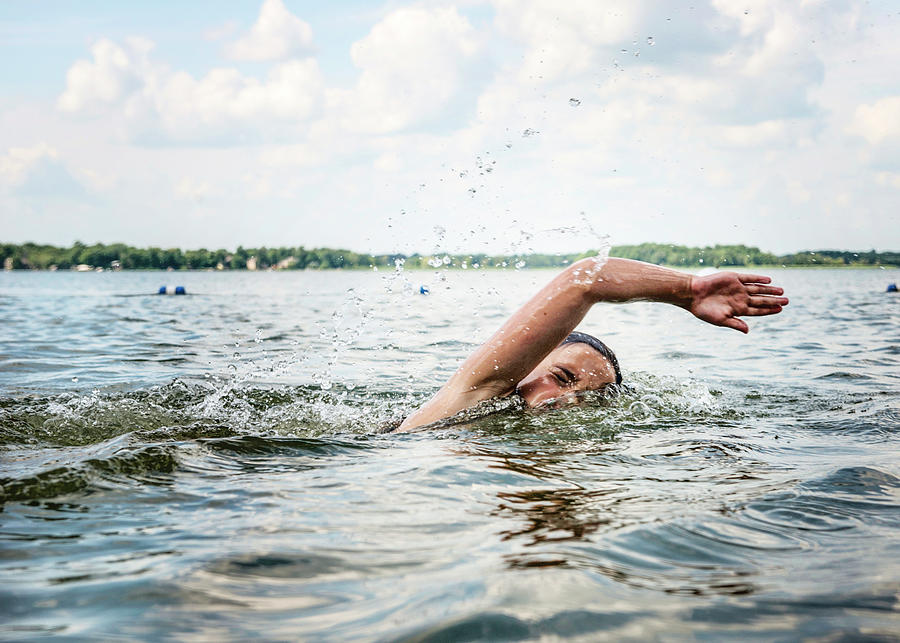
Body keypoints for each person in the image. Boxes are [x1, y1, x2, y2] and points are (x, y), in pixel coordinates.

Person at [395, 256, 788, 432]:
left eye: (590, 396)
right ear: (527, 365)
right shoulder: (470, 399)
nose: (570, 399)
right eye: (563, 377)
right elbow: (586, 279)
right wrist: (686, 291)